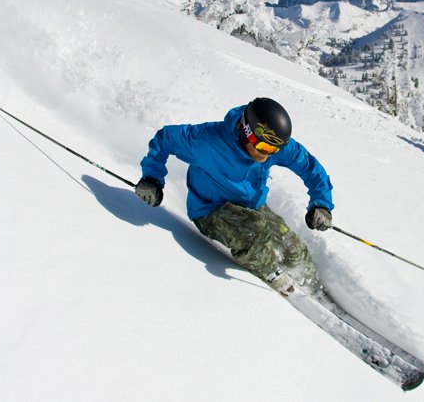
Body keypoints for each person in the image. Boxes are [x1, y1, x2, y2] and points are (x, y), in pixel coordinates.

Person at [135, 97, 334, 297]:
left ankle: (312, 285)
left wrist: (321, 203)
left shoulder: (272, 143)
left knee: (292, 246)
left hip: (253, 207)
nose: (267, 155)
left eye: (274, 150)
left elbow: (308, 166)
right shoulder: (207, 140)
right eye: (264, 148)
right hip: (210, 210)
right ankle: (273, 275)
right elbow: (165, 139)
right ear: (248, 133)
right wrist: (152, 178)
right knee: (254, 232)